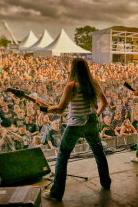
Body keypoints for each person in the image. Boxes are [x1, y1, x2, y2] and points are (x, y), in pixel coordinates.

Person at [43, 58, 111, 202]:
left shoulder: (72, 85)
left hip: (75, 125)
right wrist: (97, 114)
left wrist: (46, 109)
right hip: (91, 121)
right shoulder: (93, 83)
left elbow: (60, 108)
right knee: (99, 153)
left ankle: (56, 193)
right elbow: (104, 102)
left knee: (62, 156)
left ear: (73, 69)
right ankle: (106, 183)